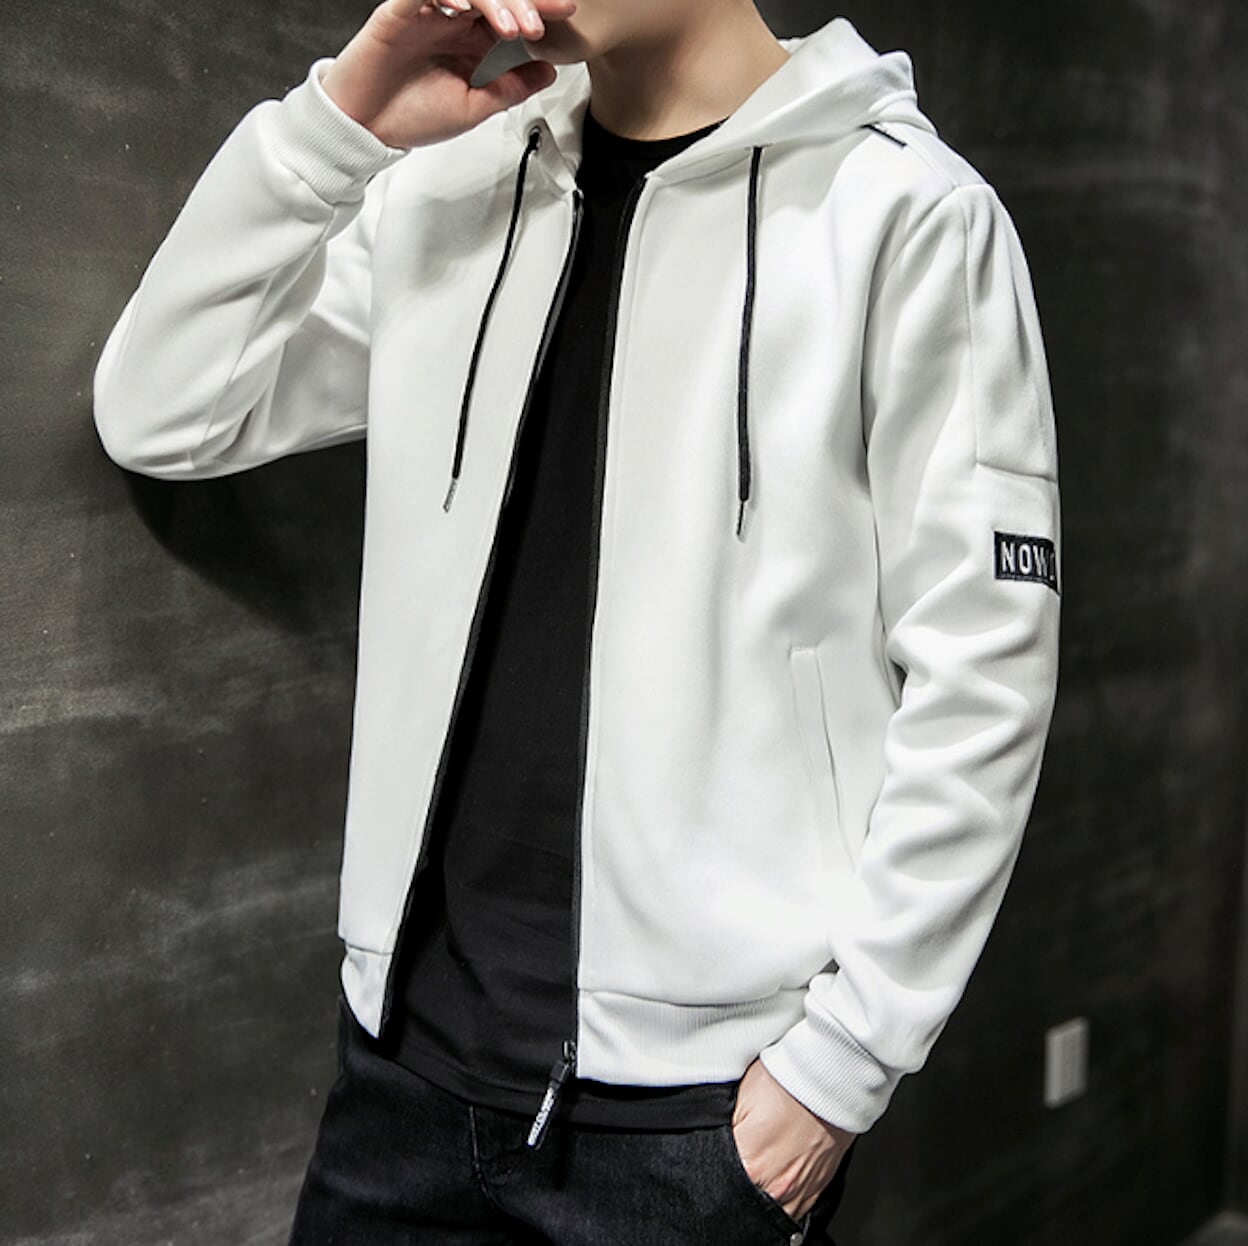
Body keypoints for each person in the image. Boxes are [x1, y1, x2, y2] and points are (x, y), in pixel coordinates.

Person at [92, 0, 1061, 1241]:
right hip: (402, 1079)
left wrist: (842, 1065)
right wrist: (340, 119)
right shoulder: (455, 184)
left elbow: (986, 674)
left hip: (694, 1124)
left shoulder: (906, 213)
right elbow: (166, 410)